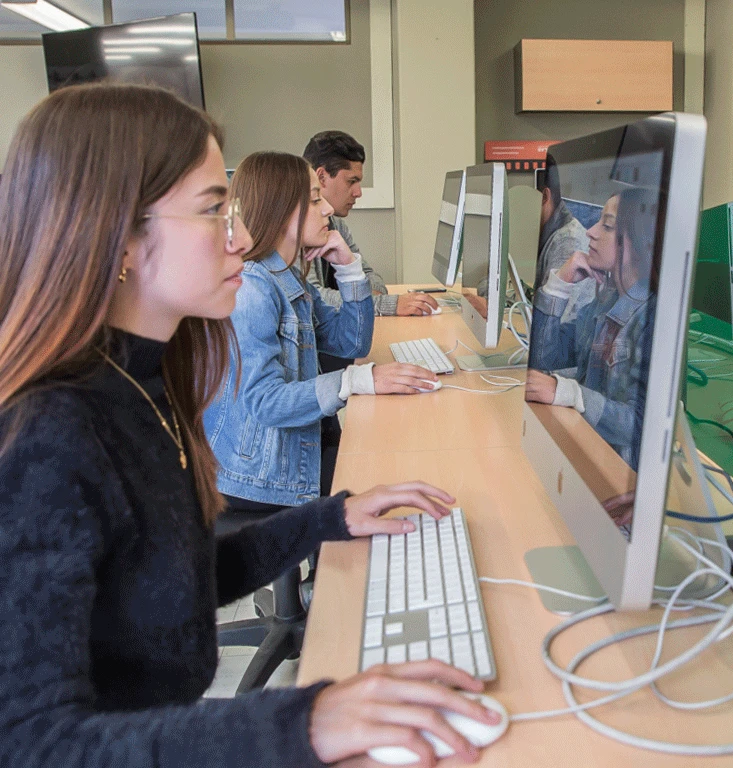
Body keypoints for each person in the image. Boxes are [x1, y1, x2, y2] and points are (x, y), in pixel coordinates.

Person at [0, 83, 498, 768]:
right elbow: (36, 746)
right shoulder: (45, 441)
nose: (237, 237)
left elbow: (174, 584)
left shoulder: (145, 380)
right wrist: (303, 721)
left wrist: (330, 518)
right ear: (119, 235)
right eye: (214, 211)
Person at [205, 151, 440, 511]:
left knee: (389, 461)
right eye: (315, 200)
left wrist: (349, 270)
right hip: (254, 477)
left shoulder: (286, 277)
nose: (327, 209)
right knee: (383, 476)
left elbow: (351, 343)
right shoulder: (252, 289)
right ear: (280, 210)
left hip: (292, 449)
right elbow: (266, 403)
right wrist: (355, 381)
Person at [525, 188, 658, 470]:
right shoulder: (606, 302)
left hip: (616, 473)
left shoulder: (652, 317)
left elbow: (641, 427)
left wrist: (572, 394)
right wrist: (559, 284)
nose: (591, 232)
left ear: (637, 241)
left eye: (607, 226)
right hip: (585, 449)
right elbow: (543, 359)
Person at [303, 130, 439, 317]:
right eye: (351, 181)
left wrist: (369, 299)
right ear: (321, 177)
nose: (358, 192)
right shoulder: (294, 232)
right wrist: (381, 304)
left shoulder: (336, 225)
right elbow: (313, 299)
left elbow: (368, 275)